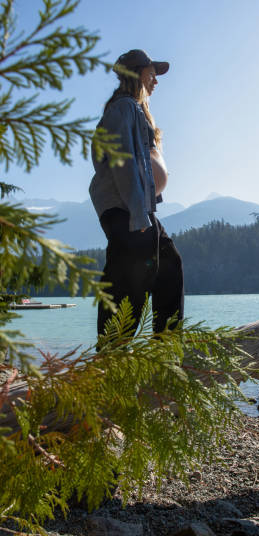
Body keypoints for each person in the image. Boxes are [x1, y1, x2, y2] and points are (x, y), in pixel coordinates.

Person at [89, 49, 184, 339]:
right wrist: (137, 212)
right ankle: (112, 356)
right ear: (136, 74)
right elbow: (121, 160)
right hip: (127, 209)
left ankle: (166, 346)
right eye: (151, 73)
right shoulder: (123, 107)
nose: (155, 80)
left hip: (138, 208)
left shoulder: (135, 110)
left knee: (169, 265)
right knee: (126, 281)